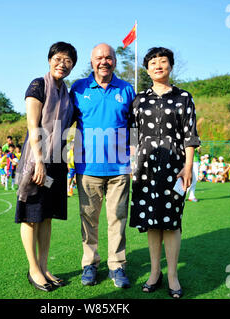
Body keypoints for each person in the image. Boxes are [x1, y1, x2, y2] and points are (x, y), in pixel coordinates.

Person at [129, 47, 200, 299]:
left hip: (174, 166)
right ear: (147, 69)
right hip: (145, 167)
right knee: (151, 221)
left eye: (163, 62)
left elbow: (190, 135)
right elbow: (133, 135)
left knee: (171, 222)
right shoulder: (139, 99)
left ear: (170, 66)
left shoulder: (183, 97)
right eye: (153, 63)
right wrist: (131, 164)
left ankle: (172, 275)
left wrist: (188, 166)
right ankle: (154, 272)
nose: (158, 66)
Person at [70, 43, 135, 289]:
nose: (104, 61)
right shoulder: (78, 88)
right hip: (87, 169)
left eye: (108, 57)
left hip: (120, 169)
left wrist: (135, 159)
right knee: (89, 220)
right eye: (99, 58)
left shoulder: (127, 89)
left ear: (115, 61)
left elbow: (134, 128)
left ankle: (117, 266)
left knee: (118, 219)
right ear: (91, 61)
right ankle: (90, 263)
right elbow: (69, 126)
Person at [14, 41, 77, 292]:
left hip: (57, 162)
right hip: (36, 162)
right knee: (30, 216)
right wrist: (39, 161)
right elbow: (33, 125)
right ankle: (33, 269)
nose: (62, 64)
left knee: (46, 216)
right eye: (58, 58)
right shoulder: (38, 85)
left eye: (68, 60)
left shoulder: (66, 91)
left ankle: (43, 266)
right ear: (49, 59)